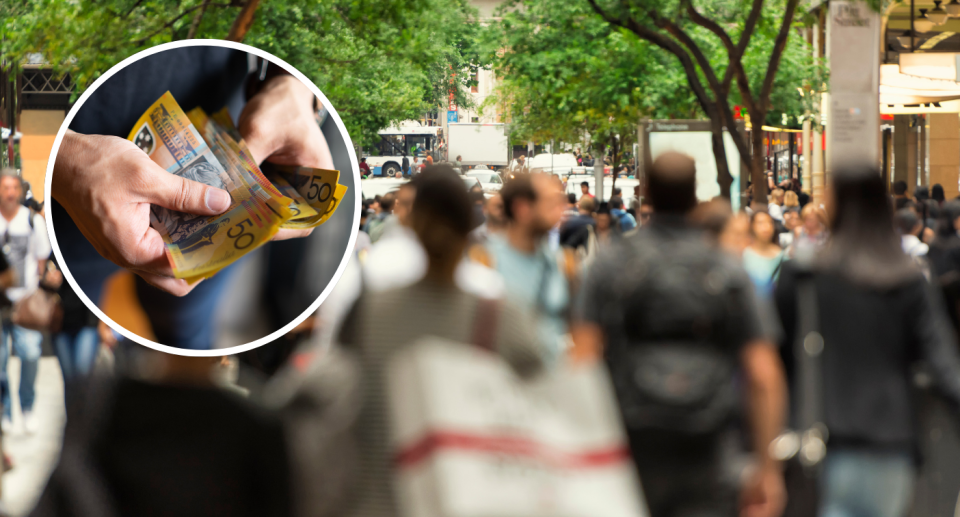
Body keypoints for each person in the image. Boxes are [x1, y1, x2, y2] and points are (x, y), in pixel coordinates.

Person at [51, 48, 327, 349]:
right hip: (59, 216)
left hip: (225, 117)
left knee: (187, 329)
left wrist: (293, 83)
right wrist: (62, 157)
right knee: (72, 332)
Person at [574, 152, 787, 517]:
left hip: (633, 446)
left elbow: (582, 360)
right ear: (694, 195)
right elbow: (764, 374)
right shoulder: (724, 268)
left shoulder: (612, 263)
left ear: (648, 194)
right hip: (709, 449)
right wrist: (768, 468)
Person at [335, 169, 544, 517]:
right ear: (469, 226)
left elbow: (339, 401)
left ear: (410, 223)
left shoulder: (368, 309)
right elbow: (540, 412)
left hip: (377, 499)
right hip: (471, 501)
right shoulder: (501, 313)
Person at [775, 167, 960, 517]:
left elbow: (775, 362)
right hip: (889, 442)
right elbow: (942, 364)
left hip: (815, 440)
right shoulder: (907, 279)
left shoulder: (802, 276)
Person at [484, 172, 570, 364]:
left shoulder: (564, 264)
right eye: (550, 203)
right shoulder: (484, 262)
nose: (560, 211)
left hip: (550, 383)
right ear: (522, 209)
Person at [0, 171, 51, 434]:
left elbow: (41, 259)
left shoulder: (32, 221)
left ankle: (27, 407)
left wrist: (35, 288)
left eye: (13, 188)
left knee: (30, 355)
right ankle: (5, 411)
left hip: (25, 300)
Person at [742, 211, 785, 298]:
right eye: (760, 223)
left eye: (770, 223)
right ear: (752, 226)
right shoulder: (744, 256)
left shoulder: (782, 256)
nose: (766, 227)